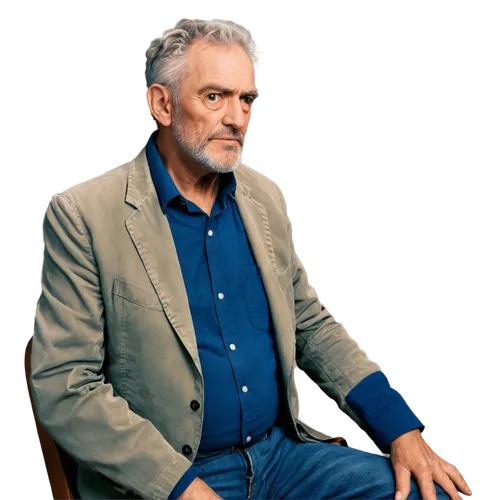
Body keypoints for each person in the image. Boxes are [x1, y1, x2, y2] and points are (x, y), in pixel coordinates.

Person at [30, 16, 473, 500]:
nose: (239, 119)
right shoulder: (85, 215)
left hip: (281, 457)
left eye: (247, 100)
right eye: (215, 96)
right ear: (160, 103)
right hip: (173, 477)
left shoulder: (263, 196)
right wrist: (182, 488)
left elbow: (310, 322)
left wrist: (400, 430)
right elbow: (66, 383)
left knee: (431, 492)